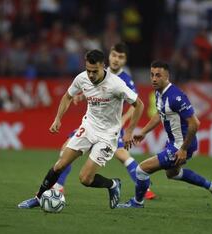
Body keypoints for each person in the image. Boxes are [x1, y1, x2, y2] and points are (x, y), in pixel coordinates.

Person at [18, 49, 144, 209]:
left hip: (107, 136)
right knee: (60, 164)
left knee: (85, 179)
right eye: (88, 70)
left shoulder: (116, 84)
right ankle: (38, 197)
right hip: (88, 128)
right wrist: (58, 119)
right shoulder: (82, 78)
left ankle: (112, 184)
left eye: (95, 71)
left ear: (103, 66)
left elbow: (139, 104)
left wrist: (130, 131)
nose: (91, 75)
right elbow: (67, 96)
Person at [53, 42, 157, 200]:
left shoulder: (125, 80)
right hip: (92, 124)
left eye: (120, 57)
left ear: (125, 60)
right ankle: (58, 186)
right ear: (108, 57)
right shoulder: (98, 71)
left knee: (123, 155)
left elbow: (134, 105)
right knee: (67, 147)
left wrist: (124, 122)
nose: (116, 60)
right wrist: (81, 95)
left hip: (111, 127)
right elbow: (93, 89)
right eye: (114, 55)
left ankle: (144, 187)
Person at [117, 61, 212, 208]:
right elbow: (159, 115)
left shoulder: (176, 97)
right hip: (175, 143)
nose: (154, 79)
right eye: (152, 75)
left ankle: (137, 202)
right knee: (172, 173)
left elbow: (195, 123)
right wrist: (143, 132)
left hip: (181, 145)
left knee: (141, 170)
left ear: (167, 76)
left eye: (158, 75)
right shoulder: (159, 92)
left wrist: (183, 149)